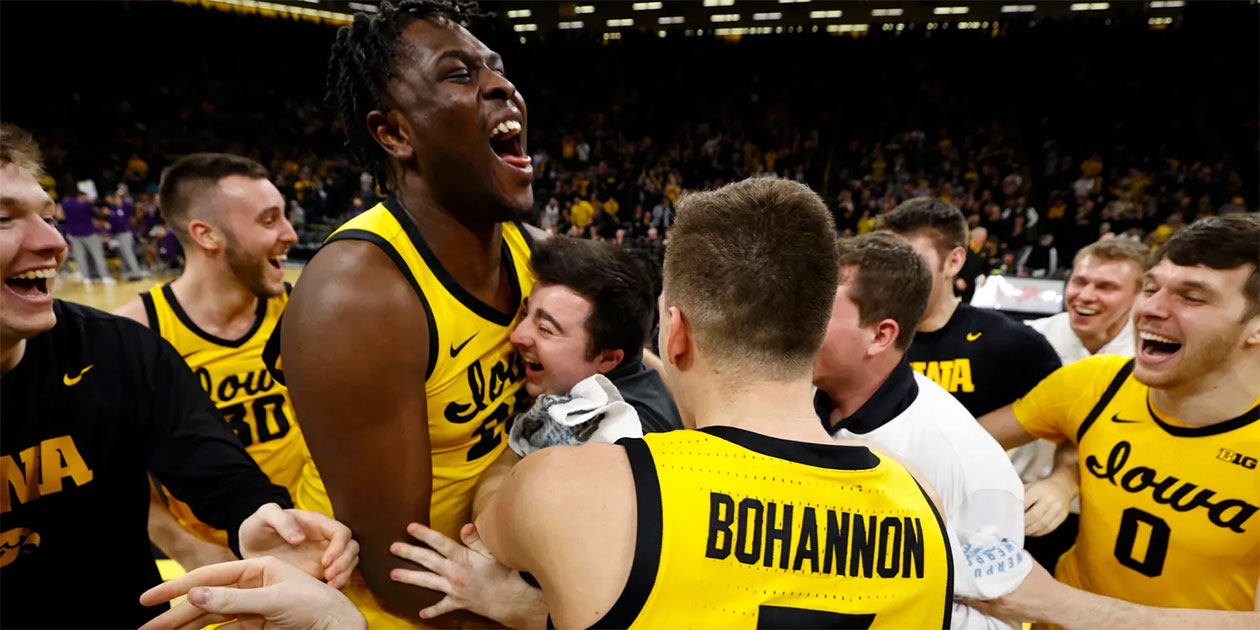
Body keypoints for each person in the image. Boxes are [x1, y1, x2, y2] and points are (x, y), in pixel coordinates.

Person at [395, 178, 955, 628]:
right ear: (812, 333)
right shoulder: (921, 501)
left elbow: (484, 521)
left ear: (677, 333)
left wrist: (530, 605)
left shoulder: (574, 489)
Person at [0, 124, 356, 629]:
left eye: (51, 217)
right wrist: (187, 546)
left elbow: (208, 461)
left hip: (272, 550)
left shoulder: (121, 350)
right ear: (204, 234)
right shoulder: (142, 324)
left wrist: (258, 514)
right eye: (2, 219)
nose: (55, 241)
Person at [271, 0, 545, 624]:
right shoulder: (359, 295)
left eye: (496, 68)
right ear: (394, 133)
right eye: (459, 74)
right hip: (391, 610)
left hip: (493, 581)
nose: (501, 85)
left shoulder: (533, 249)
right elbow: (399, 571)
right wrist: (551, 612)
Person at [980, 214, 1260, 617]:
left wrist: (1063, 605)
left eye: (1192, 296)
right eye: (1151, 288)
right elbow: (957, 446)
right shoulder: (1094, 382)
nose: (1150, 308)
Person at [813, 232, 1027, 630]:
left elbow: (999, 621)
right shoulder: (794, 396)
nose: (795, 325)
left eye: (816, 312)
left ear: (881, 335)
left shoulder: (969, 463)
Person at [113, 153, 311, 571]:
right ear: (206, 235)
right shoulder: (136, 332)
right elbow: (118, 467)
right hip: (210, 552)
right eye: (270, 220)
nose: (291, 234)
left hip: (309, 529)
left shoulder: (302, 309)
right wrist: (189, 550)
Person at [1017, 238, 1147, 569]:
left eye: (1106, 287)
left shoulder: (1151, 358)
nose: (1085, 295)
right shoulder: (1026, 339)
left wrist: (1066, 480)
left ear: (1140, 295)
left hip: (1101, 521)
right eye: (1079, 281)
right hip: (1018, 506)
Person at [880, 198, 1061, 420]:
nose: (894, 274)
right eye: (887, 260)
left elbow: (1062, 411)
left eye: (911, 261)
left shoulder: (1009, 341)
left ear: (953, 261)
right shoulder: (867, 339)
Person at [511, 235, 680, 433]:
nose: (517, 335)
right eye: (525, 312)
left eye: (545, 329)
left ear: (608, 359)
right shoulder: (628, 368)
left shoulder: (624, 441)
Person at [60, 188, 112, 283]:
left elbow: (62, 216)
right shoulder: (86, 205)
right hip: (89, 232)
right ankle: (105, 277)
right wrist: (91, 203)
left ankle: (86, 278)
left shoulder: (65, 205)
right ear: (81, 196)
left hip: (74, 234)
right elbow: (96, 214)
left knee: (80, 257)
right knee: (98, 256)